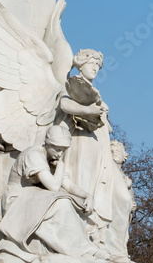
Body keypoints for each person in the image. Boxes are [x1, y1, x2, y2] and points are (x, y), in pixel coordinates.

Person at [0, 123, 104, 260]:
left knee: (77, 203)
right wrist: (61, 166)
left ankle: (84, 246)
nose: (60, 153)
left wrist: (87, 196)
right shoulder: (33, 154)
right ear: (47, 144)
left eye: (63, 150)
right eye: (57, 149)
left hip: (35, 197)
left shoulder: (53, 159)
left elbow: (68, 185)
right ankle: (82, 249)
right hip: (17, 200)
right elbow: (53, 186)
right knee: (62, 202)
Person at [58, 49, 115, 246]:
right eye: (92, 64)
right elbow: (64, 105)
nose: (95, 69)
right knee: (81, 181)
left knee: (95, 186)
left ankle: (90, 234)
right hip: (80, 140)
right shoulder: (71, 84)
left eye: (98, 67)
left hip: (97, 144)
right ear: (81, 64)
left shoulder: (95, 91)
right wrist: (87, 110)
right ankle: (76, 234)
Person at [101, 141, 137, 263]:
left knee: (120, 232)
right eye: (111, 151)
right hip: (110, 208)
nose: (113, 153)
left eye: (117, 151)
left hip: (121, 213)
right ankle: (114, 251)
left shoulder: (124, 176)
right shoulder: (107, 170)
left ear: (124, 156)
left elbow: (130, 200)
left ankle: (119, 251)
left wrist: (132, 202)